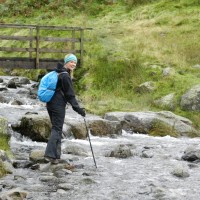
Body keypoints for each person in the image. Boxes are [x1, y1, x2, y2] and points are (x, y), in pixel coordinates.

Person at [44, 53, 86, 164]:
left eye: (75, 63)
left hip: (50, 103)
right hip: (57, 105)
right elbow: (70, 95)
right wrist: (79, 109)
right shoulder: (65, 76)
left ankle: (56, 156)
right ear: (66, 62)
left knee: (56, 128)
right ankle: (50, 155)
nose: (73, 64)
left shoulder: (58, 72)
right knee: (57, 129)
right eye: (71, 62)